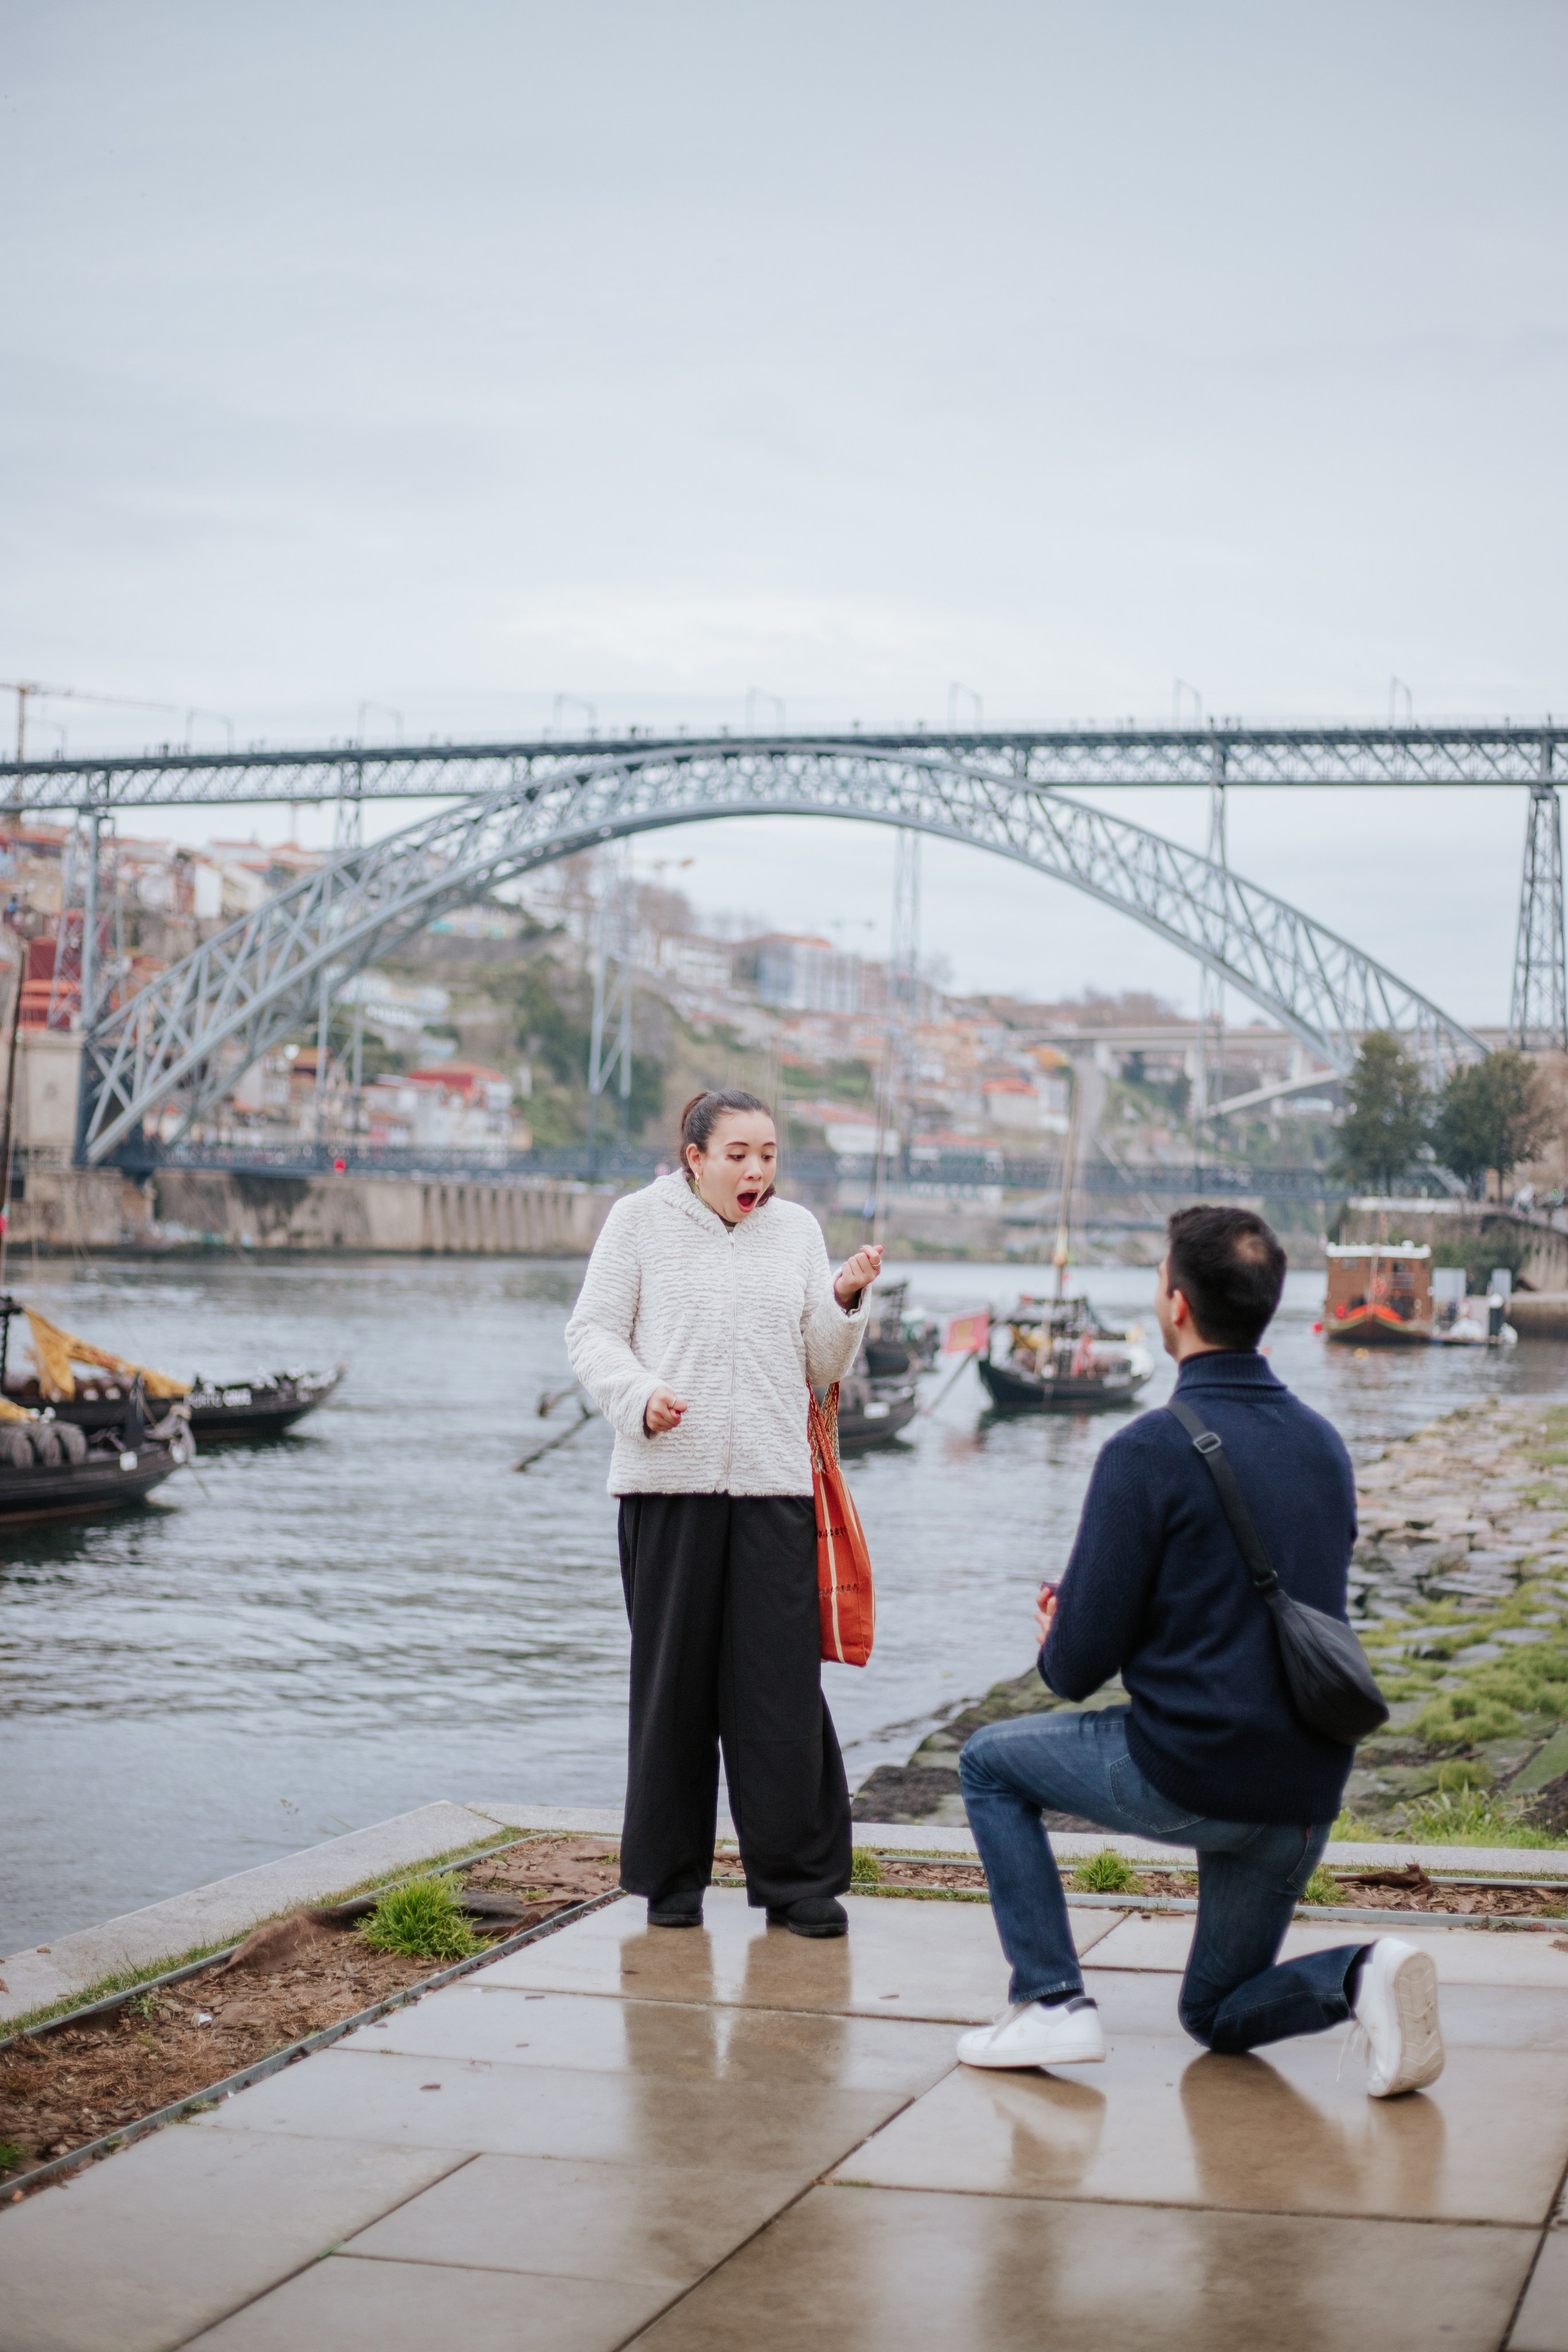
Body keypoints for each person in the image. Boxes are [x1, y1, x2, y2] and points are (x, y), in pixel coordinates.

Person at [957, 1204, 1443, 2100]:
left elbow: (1073, 1672)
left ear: (1176, 1305)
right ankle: (1361, 1975)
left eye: (1158, 1278)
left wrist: (1062, 1629)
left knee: (987, 1763)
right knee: (1215, 2014)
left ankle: (1050, 1998)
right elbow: (1251, 1607)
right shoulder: (1324, 1446)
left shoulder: (1145, 1452)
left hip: (1194, 1771)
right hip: (1304, 1788)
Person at [567, 1088, 881, 1939]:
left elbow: (819, 1361)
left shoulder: (798, 1232)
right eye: (738, 1154)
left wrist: (843, 1298)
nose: (756, 1171)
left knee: (781, 1692)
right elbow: (591, 1334)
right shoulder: (638, 1222)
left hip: (777, 1489)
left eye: (768, 1155)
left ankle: (799, 1882)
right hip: (667, 1487)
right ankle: (670, 1882)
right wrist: (640, 1396)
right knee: (673, 1690)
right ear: (695, 1157)